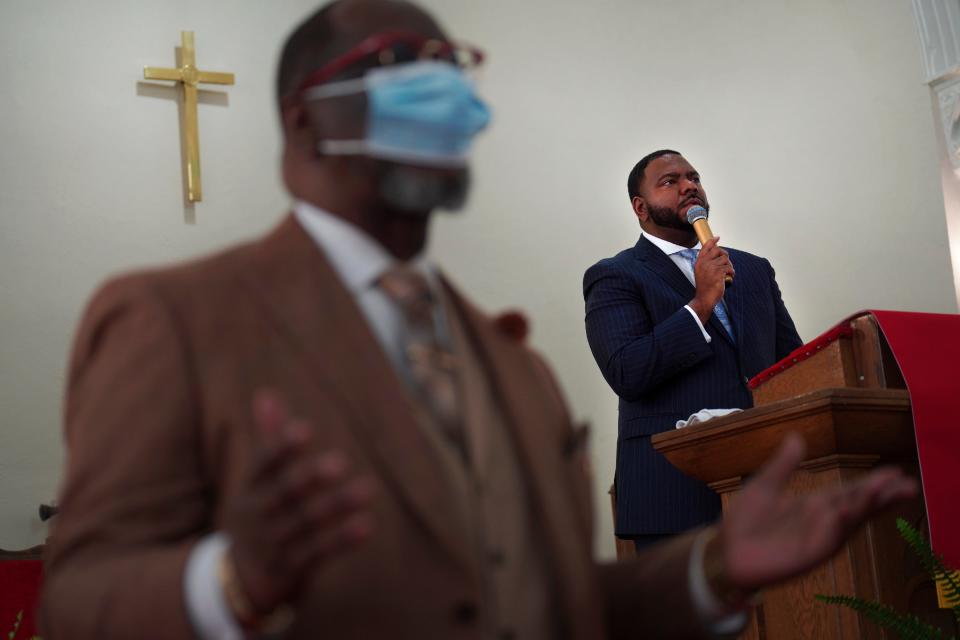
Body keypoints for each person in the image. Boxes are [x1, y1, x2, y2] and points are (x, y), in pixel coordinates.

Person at [41, 4, 914, 639]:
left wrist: (705, 575)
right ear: (306, 121)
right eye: (401, 75)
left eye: (451, 74)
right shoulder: (168, 317)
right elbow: (76, 599)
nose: (445, 101)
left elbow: (543, 602)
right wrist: (230, 581)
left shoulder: (512, 370)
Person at [583, 149, 804, 550]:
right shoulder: (616, 275)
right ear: (640, 206)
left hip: (765, 484)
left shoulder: (752, 269)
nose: (689, 186)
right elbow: (627, 371)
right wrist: (700, 304)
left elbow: (792, 365)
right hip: (672, 490)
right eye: (670, 182)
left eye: (694, 177)